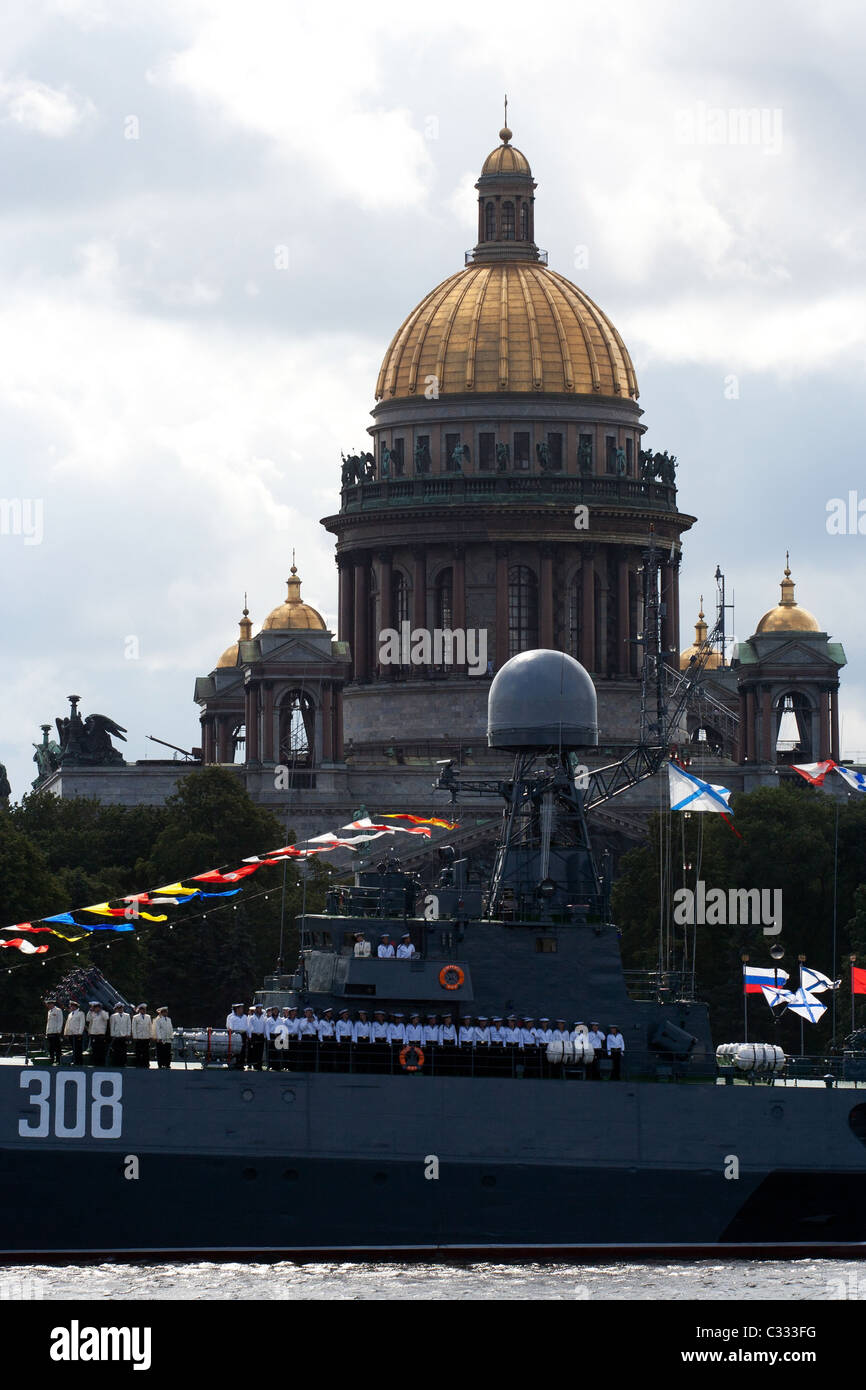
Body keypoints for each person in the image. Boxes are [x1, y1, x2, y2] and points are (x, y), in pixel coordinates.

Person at [226, 1003, 248, 1070]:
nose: (242, 1010)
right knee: (235, 1049)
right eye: (240, 1008)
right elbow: (229, 1027)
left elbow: (247, 1026)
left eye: (242, 1008)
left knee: (243, 1050)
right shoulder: (232, 1017)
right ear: (237, 1009)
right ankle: (235, 1063)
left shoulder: (245, 1017)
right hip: (236, 1034)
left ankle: (241, 1064)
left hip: (243, 1034)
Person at [86, 1001, 108, 1066]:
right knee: (94, 1050)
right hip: (94, 1034)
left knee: (101, 1050)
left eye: (97, 1007)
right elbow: (88, 1019)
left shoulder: (103, 1013)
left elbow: (106, 1018)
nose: (96, 1009)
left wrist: (100, 1011)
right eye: (94, 1007)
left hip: (101, 1034)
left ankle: (101, 1063)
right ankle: (95, 1063)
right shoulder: (92, 1014)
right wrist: (90, 1011)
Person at [63, 1000, 86, 1064]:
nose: (70, 1007)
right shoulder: (70, 1014)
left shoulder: (80, 1013)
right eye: (70, 1006)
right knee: (73, 1048)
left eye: (71, 1006)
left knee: (78, 1048)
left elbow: (82, 1023)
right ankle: (74, 1060)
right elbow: (67, 1024)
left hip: (77, 1034)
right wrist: (66, 1033)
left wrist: (80, 1033)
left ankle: (79, 1061)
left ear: (75, 1006)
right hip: (71, 1034)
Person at [109, 1003, 131, 1067]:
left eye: (121, 1008)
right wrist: (113, 1035)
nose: (120, 1009)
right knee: (116, 1050)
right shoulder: (113, 1016)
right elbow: (112, 1026)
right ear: (117, 1009)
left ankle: (123, 1062)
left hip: (124, 1036)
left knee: (124, 1050)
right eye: (119, 1008)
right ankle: (116, 1063)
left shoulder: (127, 1015)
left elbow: (128, 1025)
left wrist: (128, 1034)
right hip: (116, 1036)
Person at [247, 1003, 267, 1071]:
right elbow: (249, 1027)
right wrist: (249, 1036)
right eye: (258, 1008)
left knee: (260, 1051)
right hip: (254, 1035)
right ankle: (254, 1064)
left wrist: (265, 1035)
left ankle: (259, 1065)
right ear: (256, 1009)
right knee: (254, 1050)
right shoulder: (252, 1017)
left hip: (261, 1035)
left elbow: (265, 1027)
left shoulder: (264, 1018)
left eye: (261, 1008)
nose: (260, 1009)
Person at [45, 998, 63, 1065]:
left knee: (57, 1047)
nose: (49, 1005)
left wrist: (59, 1030)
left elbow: (60, 1021)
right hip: (50, 1031)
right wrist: (47, 1031)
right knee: (51, 1047)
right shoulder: (49, 1012)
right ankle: (51, 1060)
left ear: (53, 1003)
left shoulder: (58, 1010)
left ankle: (58, 1060)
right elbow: (48, 1022)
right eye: (48, 1004)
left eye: (50, 1004)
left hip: (56, 1031)